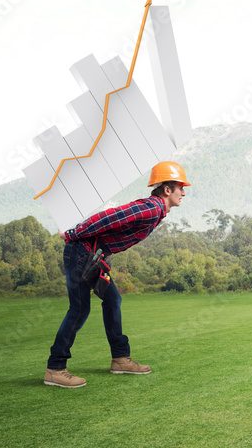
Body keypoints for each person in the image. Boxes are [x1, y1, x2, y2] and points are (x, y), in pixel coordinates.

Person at [43, 161, 191, 388]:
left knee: (113, 299)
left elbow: (113, 233)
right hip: (81, 251)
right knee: (79, 309)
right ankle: (55, 368)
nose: (184, 192)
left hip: (93, 255)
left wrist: (103, 258)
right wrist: (74, 233)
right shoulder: (151, 208)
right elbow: (110, 217)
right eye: (180, 187)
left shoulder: (157, 211)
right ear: (167, 190)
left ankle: (120, 359)